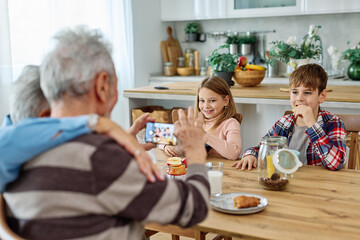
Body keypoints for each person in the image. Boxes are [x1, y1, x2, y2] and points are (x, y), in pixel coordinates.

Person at [3, 26, 209, 240]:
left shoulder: (14, 153)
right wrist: (195, 149)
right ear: (102, 85)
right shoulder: (99, 158)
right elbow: (194, 208)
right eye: (114, 83)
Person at [0, 65, 161, 193]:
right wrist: (97, 123)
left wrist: (121, 145)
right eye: (68, 112)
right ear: (45, 118)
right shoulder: (46, 167)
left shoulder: (17, 149)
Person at [232, 64, 346, 171]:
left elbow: (336, 163)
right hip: (286, 179)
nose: (299, 98)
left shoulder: (333, 122)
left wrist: (312, 125)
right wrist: (250, 155)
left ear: (322, 96)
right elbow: (261, 148)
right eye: (295, 92)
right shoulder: (284, 123)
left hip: (319, 184)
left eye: (307, 93)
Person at [164, 76, 242, 160]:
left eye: (212, 100)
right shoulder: (196, 121)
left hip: (221, 170)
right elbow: (163, 137)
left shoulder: (230, 123)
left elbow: (234, 153)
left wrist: (204, 135)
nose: (206, 106)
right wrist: (165, 146)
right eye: (202, 100)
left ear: (226, 101)